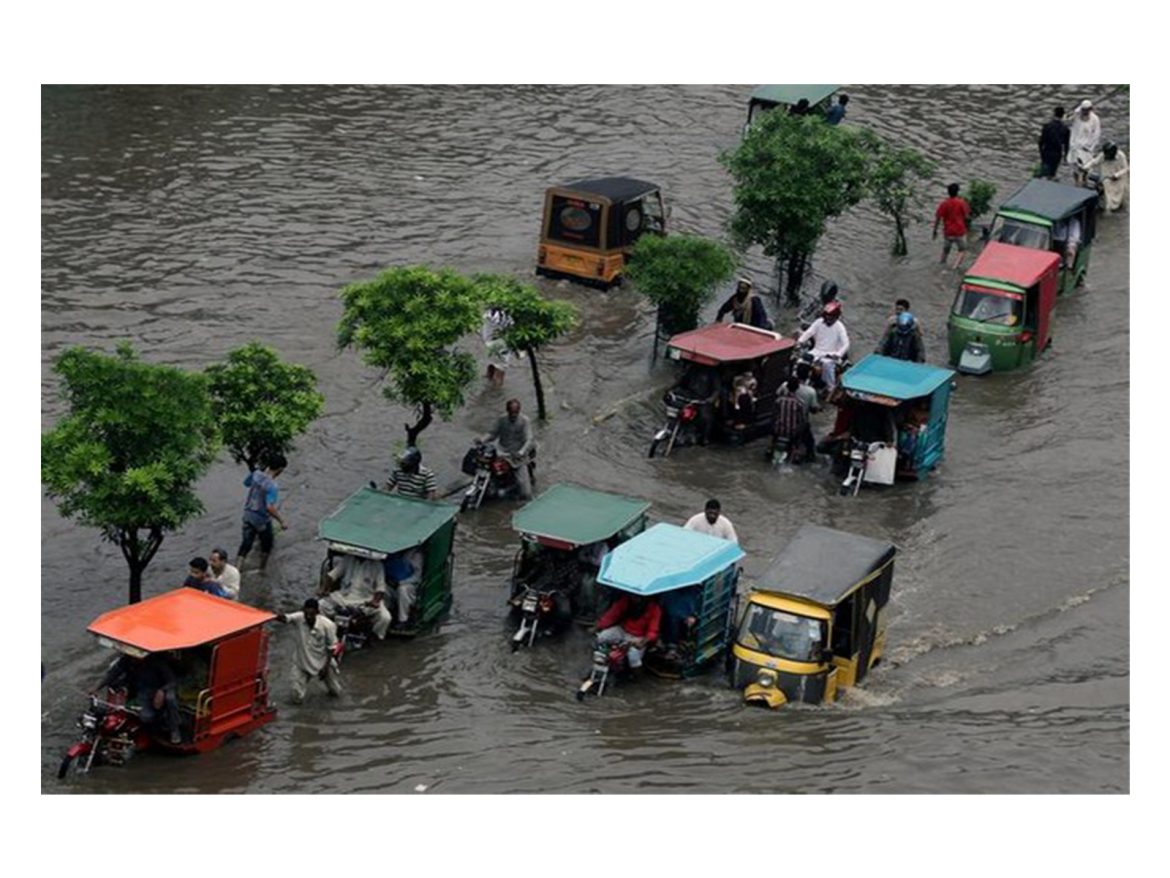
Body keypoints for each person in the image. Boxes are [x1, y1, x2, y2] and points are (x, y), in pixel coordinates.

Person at [96, 652, 181, 744]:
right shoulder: (127, 660)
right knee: (142, 715)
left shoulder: (157, 662)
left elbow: (172, 681)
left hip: (159, 688)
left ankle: (174, 729)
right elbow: (113, 673)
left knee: (170, 699)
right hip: (142, 690)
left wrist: (162, 691)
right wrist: (98, 687)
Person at [276, 598, 341, 705]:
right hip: (302, 663)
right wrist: (271, 615)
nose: (308, 617)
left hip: (323, 662)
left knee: (335, 692)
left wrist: (325, 667)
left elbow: (331, 648)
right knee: (296, 696)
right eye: (306, 614)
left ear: (317, 612)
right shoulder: (299, 618)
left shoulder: (328, 625)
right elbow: (285, 618)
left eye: (311, 614)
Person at [319, 553, 392, 640]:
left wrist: (375, 601)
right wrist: (323, 589)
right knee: (321, 605)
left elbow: (380, 588)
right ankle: (326, 630)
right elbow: (332, 575)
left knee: (385, 618)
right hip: (344, 597)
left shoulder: (377, 565)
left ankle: (373, 638)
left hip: (365, 600)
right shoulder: (348, 559)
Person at [236, 453, 287, 571]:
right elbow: (269, 507)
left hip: (248, 514)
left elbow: (246, 483)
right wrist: (281, 521)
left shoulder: (256, 474)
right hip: (261, 519)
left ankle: (238, 570)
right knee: (267, 546)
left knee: (246, 544)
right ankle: (262, 570)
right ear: (280, 469)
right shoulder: (272, 486)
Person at [594, 592, 662, 675]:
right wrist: (598, 626)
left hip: (638, 637)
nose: (635, 599)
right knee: (602, 637)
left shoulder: (654, 609)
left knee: (634, 657)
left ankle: (637, 676)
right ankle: (602, 660)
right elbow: (612, 615)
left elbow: (653, 631)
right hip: (622, 630)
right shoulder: (625, 601)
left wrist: (644, 641)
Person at [481, 398, 535, 500]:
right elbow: (492, 433)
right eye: (511, 412)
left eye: (516, 412)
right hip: (502, 452)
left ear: (519, 411)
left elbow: (529, 439)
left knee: (526, 493)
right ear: (507, 411)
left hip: (517, 456)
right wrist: (482, 439)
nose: (513, 415)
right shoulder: (501, 419)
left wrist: (521, 451)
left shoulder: (524, 421)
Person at [796, 300, 850, 391]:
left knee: (827, 365)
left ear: (835, 317)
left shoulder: (840, 327)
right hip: (816, 351)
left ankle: (830, 387)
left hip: (831, 355)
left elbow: (846, 343)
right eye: (827, 316)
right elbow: (809, 332)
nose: (828, 318)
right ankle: (799, 380)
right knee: (801, 361)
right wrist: (799, 342)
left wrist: (838, 354)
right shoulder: (818, 322)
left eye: (831, 317)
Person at [769, 377, 814, 463]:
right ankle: (804, 454)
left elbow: (773, 417)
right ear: (797, 388)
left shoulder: (778, 401)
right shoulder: (799, 403)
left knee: (773, 437)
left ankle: (770, 447)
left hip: (778, 431)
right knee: (806, 438)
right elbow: (802, 420)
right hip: (792, 433)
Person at [383, 546, 425, 629]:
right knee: (383, 588)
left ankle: (403, 620)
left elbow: (417, 577)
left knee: (403, 590)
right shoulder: (391, 551)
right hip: (391, 582)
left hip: (408, 585)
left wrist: (400, 582)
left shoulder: (416, 555)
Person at [932, 183, 971, 269]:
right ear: (958, 192)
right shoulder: (962, 203)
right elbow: (967, 217)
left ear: (948, 192)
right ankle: (955, 266)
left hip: (948, 232)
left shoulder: (944, 204)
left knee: (945, 251)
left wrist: (935, 231)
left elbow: (938, 218)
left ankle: (942, 264)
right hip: (960, 231)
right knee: (962, 250)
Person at [1068, 99, 1102, 186]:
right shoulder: (1076, 116)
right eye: (1083, 110)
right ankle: (1076, 183)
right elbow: (1067, 119)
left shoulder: (1095, 119)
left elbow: (1096, 134)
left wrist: (1091, 146)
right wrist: (1076, 112)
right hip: (1075, 146)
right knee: (1074, 166)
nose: (1084, 112)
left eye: (1086, 110)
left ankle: (1084, 182)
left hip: (1087, 148)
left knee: (1086, 167)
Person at [481, 306, 513, 387]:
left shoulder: (488, 313)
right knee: (500, 372)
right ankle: (496, 392)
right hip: (501, 343)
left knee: (491, 362)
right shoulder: (506, 314)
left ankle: (488, 381)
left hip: (488, 341)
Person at [1037, 106, 1070, 180]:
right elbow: (1067, 145)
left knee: (1043, 171)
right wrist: (1066, 156)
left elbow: (1041, 141)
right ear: (1062, 115)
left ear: (1054, 114)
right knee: (1053, 173)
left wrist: (1041, 152)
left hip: (1047, 151)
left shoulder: (1047, 126)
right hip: (1057, 153)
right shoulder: (1065, 129)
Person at [1099, 142, 1129, 212]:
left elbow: (1126, 168)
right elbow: (1094, 161)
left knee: (1121, 195)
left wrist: (1116, 175)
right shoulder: (1102, 155)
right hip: (1108, 178)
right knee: (1108, 196)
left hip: (1119, 178)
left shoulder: (1121, 156)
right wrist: (1085, 167)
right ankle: (1109, 209)